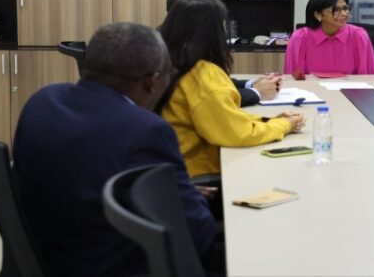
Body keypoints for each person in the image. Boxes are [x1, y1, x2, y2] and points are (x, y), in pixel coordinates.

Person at [12, 23, 222, 277]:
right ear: (151, 82)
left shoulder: (43, 100)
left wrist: (164, 193)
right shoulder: (146, 130)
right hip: (115, 265)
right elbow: (197, 235)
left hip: (50, 255)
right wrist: (191, 198)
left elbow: (85, 172)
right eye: (170, 73)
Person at [159, 0, 306, 178]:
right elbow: (236, 133)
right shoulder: (203, 74)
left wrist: (268, 121)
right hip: (200, 174)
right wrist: (284, 125)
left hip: (177, 170)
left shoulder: (173, 64)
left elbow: (224, 117)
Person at [165, 0, 281, 107]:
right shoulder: (169, 52)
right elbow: (212, 99)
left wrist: (252, 84)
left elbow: (214, 85)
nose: (223, 30)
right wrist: (257, 92)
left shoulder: (183, 42)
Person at [284, 0, 374, 75]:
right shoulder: (300, 38)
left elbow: (369, 79)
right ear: (318, 15)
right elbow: (294, 79)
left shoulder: (358, 36)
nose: (344, 14)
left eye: (345, 8)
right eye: (336, 10)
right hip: (312, 88)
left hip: (349, 87)